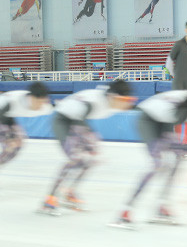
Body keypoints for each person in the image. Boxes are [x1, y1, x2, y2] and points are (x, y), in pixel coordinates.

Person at [110, 84, 187, 229]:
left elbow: (174, 142)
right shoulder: (184, 108)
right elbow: (174, 145)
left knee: (177, 160)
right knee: (157, 164)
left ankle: (162, 206)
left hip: (164, 120)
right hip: (148, 120)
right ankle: (125, 211)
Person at [39, 80, 135, 215]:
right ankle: (50, 199)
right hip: (62, 120)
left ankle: (70, 192)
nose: (127, 103)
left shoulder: (107, 100)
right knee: (75, 158)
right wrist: (90, 141)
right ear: (113, 96)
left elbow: (82, 123)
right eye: (124, 99)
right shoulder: (95, 102)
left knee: (90, 158)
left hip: (76, 119)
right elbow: (78, 122)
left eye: (130, 100)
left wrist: (92, 146)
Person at [0, 82, 51, 167]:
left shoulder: (46, 107)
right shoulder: (13, 102)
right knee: (11, 142)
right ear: (30, 98)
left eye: (41, 102)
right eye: (36, 102)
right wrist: (9, 138)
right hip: (2, 113)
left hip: (9, 116)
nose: (39, 105)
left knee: (17, 144)